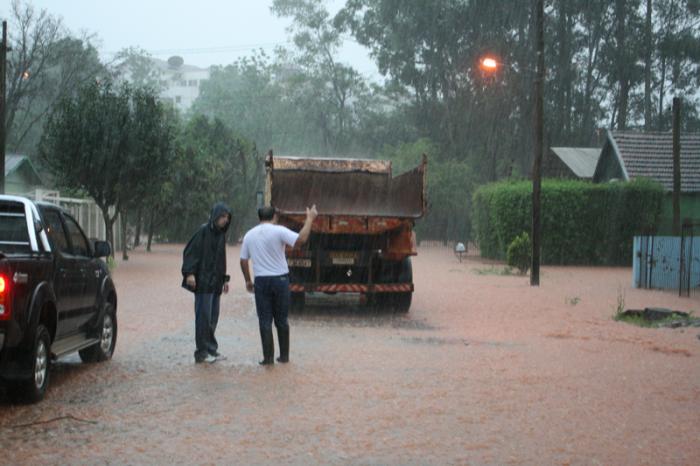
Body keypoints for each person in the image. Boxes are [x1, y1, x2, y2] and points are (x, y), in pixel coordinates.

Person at [240, 205, 317, 365]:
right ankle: (284, 356)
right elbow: (301, 240)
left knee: (264, 321)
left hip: (261, 281)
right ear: (274, 217)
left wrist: (248, 280)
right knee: (281, 320)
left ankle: (268, 359)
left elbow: (243, 260)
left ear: (259, 217)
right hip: (280, 280)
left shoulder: (249, 235)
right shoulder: (279, 231)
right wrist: (309, 219)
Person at [182, 203, 232, 364]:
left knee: (213, 317)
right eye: (223, 216)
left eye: (227, 217)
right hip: (203, 282)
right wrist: (190, 274)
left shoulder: (221, 235)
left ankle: (211, 349)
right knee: (203, 318)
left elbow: (221, 259)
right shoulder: (203, 231)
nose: (225, 220)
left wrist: (225, 279)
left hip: (216, 282)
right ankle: (201, 352)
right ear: (216, 215)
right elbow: (190, 252)